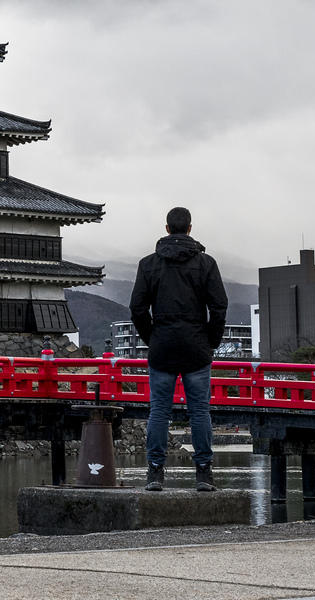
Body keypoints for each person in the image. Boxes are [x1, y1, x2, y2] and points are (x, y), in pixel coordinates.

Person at [129, 207, 228, 492]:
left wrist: (152, 337)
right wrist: (211, 340)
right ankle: (204, 473)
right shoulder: (206, 263)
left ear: (167, 228)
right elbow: (219, 306)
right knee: (200, 412)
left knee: (159, 411)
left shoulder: (148, 264)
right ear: (190, 228)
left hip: (162, 345)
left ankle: (155, 473)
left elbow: (137, 308)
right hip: (196, 346)